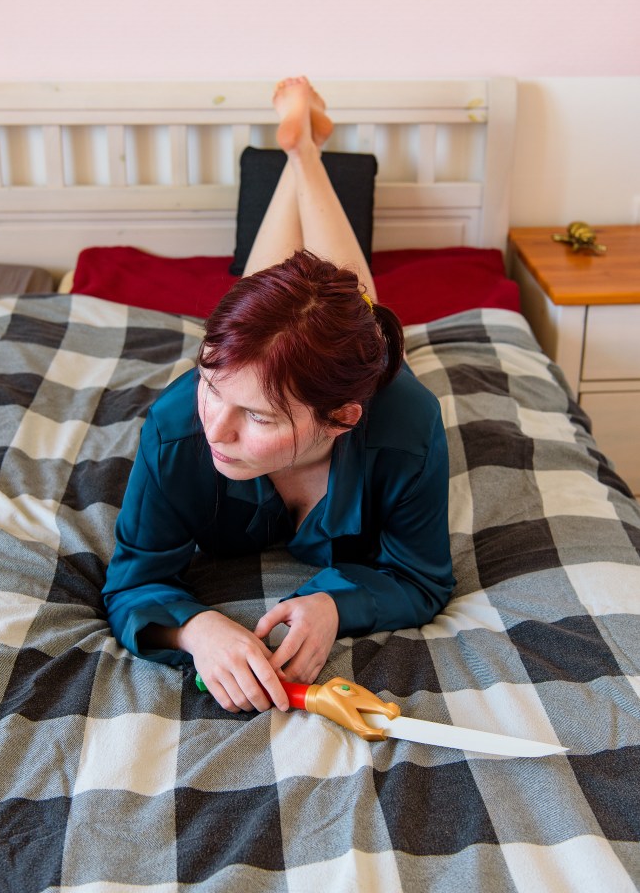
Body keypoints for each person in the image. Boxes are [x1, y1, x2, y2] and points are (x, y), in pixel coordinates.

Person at [102, 77, 454, 715]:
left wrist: (333, 605)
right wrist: (195, 628)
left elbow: (421, 577)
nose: (216, 430)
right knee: (277, 296)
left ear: (342, 419)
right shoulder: (178, 426)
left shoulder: (409, 427)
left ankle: (304, 148)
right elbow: (134, 580)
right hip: (273, 356)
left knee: (357, 307)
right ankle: (304, 148)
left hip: (355, 367)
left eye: (259, 417)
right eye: (210, 387)